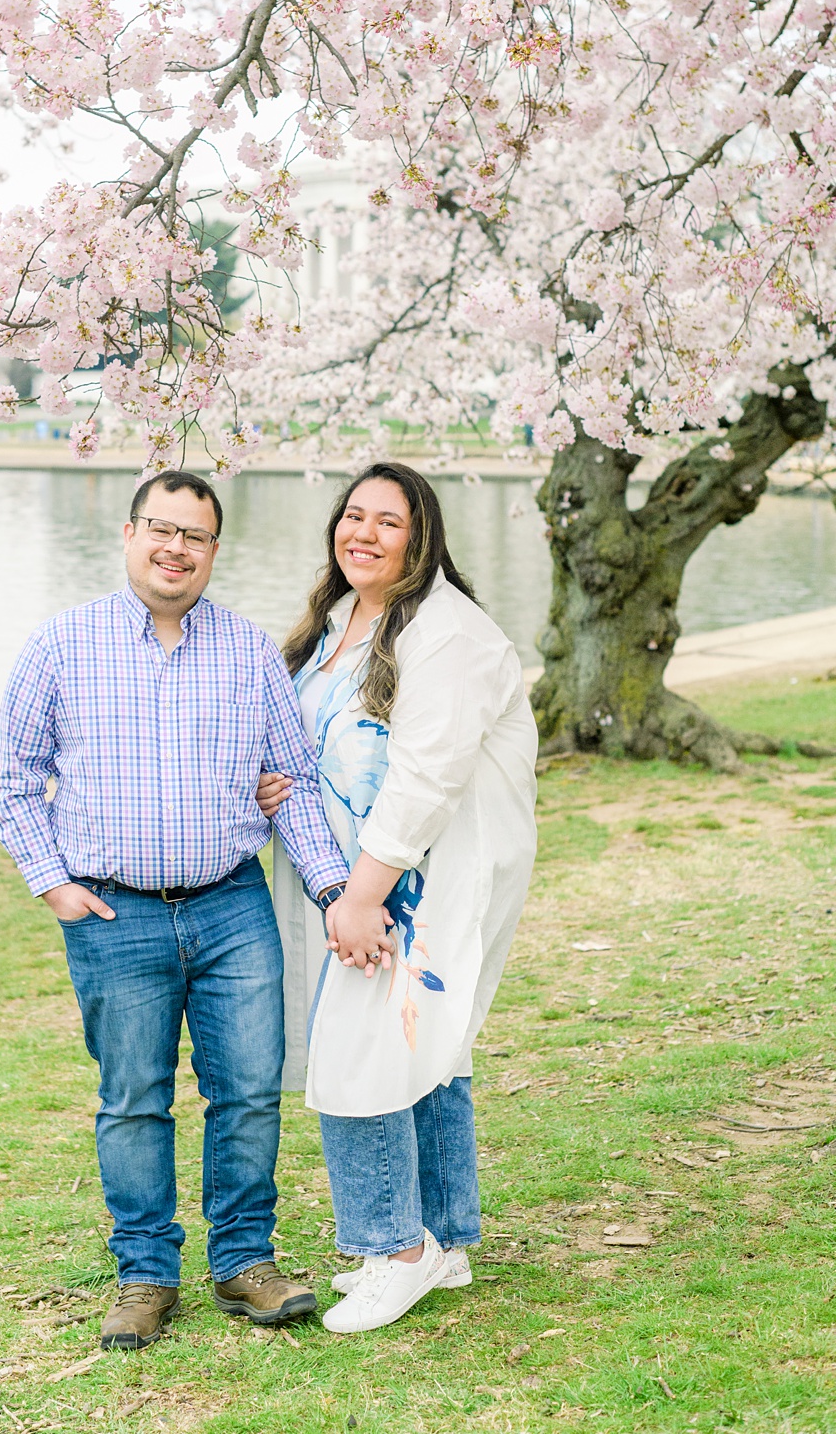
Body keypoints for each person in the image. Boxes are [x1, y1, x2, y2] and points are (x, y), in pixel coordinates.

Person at [0, 469, 356, 1351]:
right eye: (162, 529)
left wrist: (337, 888)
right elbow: (11, 782)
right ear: (128, 535)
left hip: (233, 907)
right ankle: (146, 1275)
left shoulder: (249, 650)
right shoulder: (61, 646)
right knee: (133, 1100)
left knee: (250, 1093)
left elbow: (295, 782)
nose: (175, 549)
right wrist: (54, 883)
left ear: (214, 552)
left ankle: (243, 1262)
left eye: (195, 536)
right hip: (115, 918)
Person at [260, 462, 538, 1335]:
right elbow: (314, 736)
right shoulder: (340, 621)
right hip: (361, 874)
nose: (364, 534)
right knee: (427, 1047)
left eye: (389, 521)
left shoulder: (444, 633)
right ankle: (446, 1240)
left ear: (422, 538)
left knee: (362, 1049)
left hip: (419, 877)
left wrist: (363, 895)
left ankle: (395, 1249)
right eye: (353, 516)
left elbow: (424, 779)